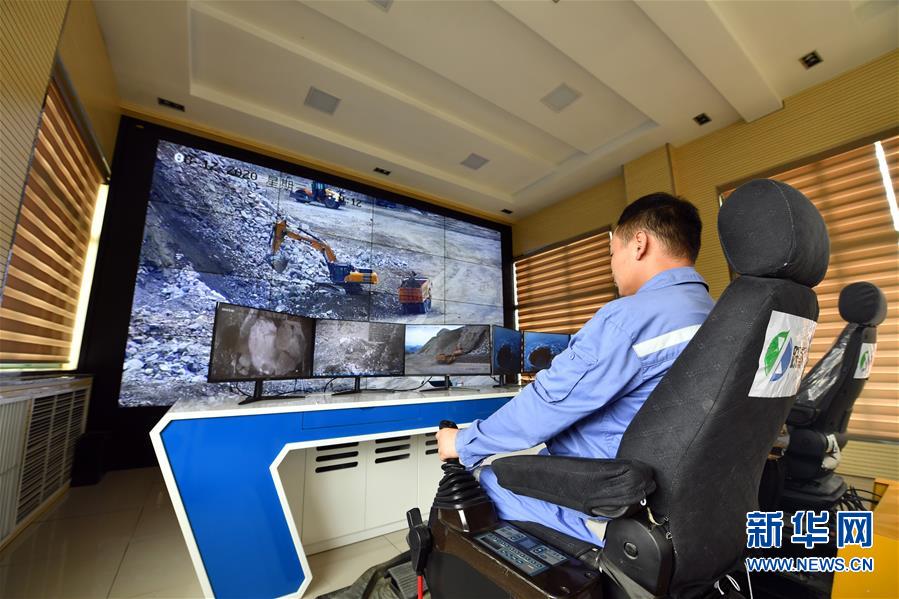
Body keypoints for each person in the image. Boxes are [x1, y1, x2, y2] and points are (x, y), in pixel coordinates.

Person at [436, 192, 714, 544]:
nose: (612, 267)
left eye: (611, 253)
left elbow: (548, 403)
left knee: (475, 484)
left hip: (609, 500)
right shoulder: (720, 316)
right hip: (686, 500)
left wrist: (462, 442)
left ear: (639, 244)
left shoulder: (627, 319)